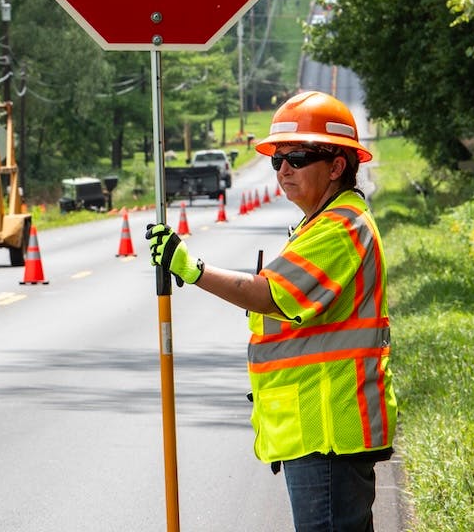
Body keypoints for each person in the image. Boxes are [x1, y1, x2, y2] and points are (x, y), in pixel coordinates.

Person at [145, 90, 397, 532]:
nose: (283, 170)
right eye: (277, 160)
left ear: (337, 166)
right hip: (318, 429)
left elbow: (269, 294)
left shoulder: (341, 226)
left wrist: (191, 268)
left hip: (327, 432)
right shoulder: (322, 222)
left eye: (297, 158)